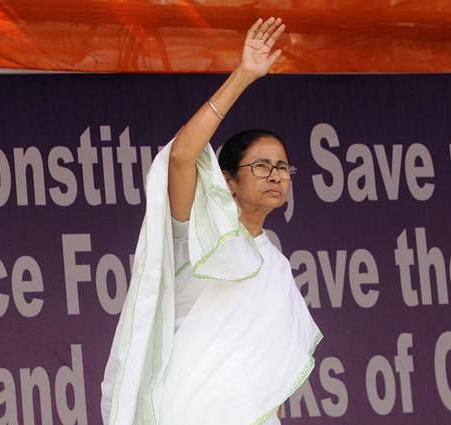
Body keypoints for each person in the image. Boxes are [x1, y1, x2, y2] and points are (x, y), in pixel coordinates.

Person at [101, 18, 321, 425]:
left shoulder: (273, 263)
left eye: (283, 167)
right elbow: (183, 156)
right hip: (184, 413)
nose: (276, 175)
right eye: (260, 165)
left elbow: (267, 369)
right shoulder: (198, 232)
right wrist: (244, 75)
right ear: (228, 181)